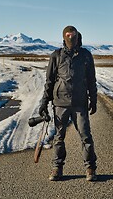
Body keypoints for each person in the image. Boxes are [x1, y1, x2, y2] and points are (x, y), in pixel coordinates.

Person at [39, 25, 97, 181]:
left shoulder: (86, 55)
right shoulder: (56, 56)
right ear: (64, 37)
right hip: (60, 103)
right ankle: (57, 168)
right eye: (68, 36)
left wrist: (94, 100)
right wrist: (44, 103)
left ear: (78, 37)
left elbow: (92, 80)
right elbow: (49, 81)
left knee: (86, 136)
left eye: (73, 36)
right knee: (58, 137)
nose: (71, 39)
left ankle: (90, 167)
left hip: (80, 103)